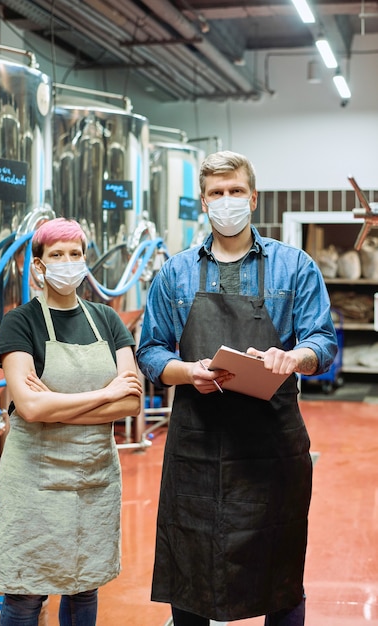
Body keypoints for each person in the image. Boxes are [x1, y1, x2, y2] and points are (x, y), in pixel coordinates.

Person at [136, 151, 337, 626]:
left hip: (271, 448)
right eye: (216, 194)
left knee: (280, 574)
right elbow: (150, 352)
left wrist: (294, 357)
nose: (227, 201)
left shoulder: (295, 267)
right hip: (197, 447)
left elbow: (322, 340)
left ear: (253, 197)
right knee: (190, 574)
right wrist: (189, 373)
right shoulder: (176, 273)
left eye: (235, 192)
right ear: (204, 202)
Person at [0, 217, 142, 626]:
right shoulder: (20, 322)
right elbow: (30, 408)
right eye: (56, 255)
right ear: (38, 266)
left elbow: (131, 400)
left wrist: (60, 403)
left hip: (93, 478)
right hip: (33, 481)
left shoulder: (107, 320)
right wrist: (103, 395)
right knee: (25, 594)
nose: (67, 262)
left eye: (75, 254)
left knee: (84, 585)